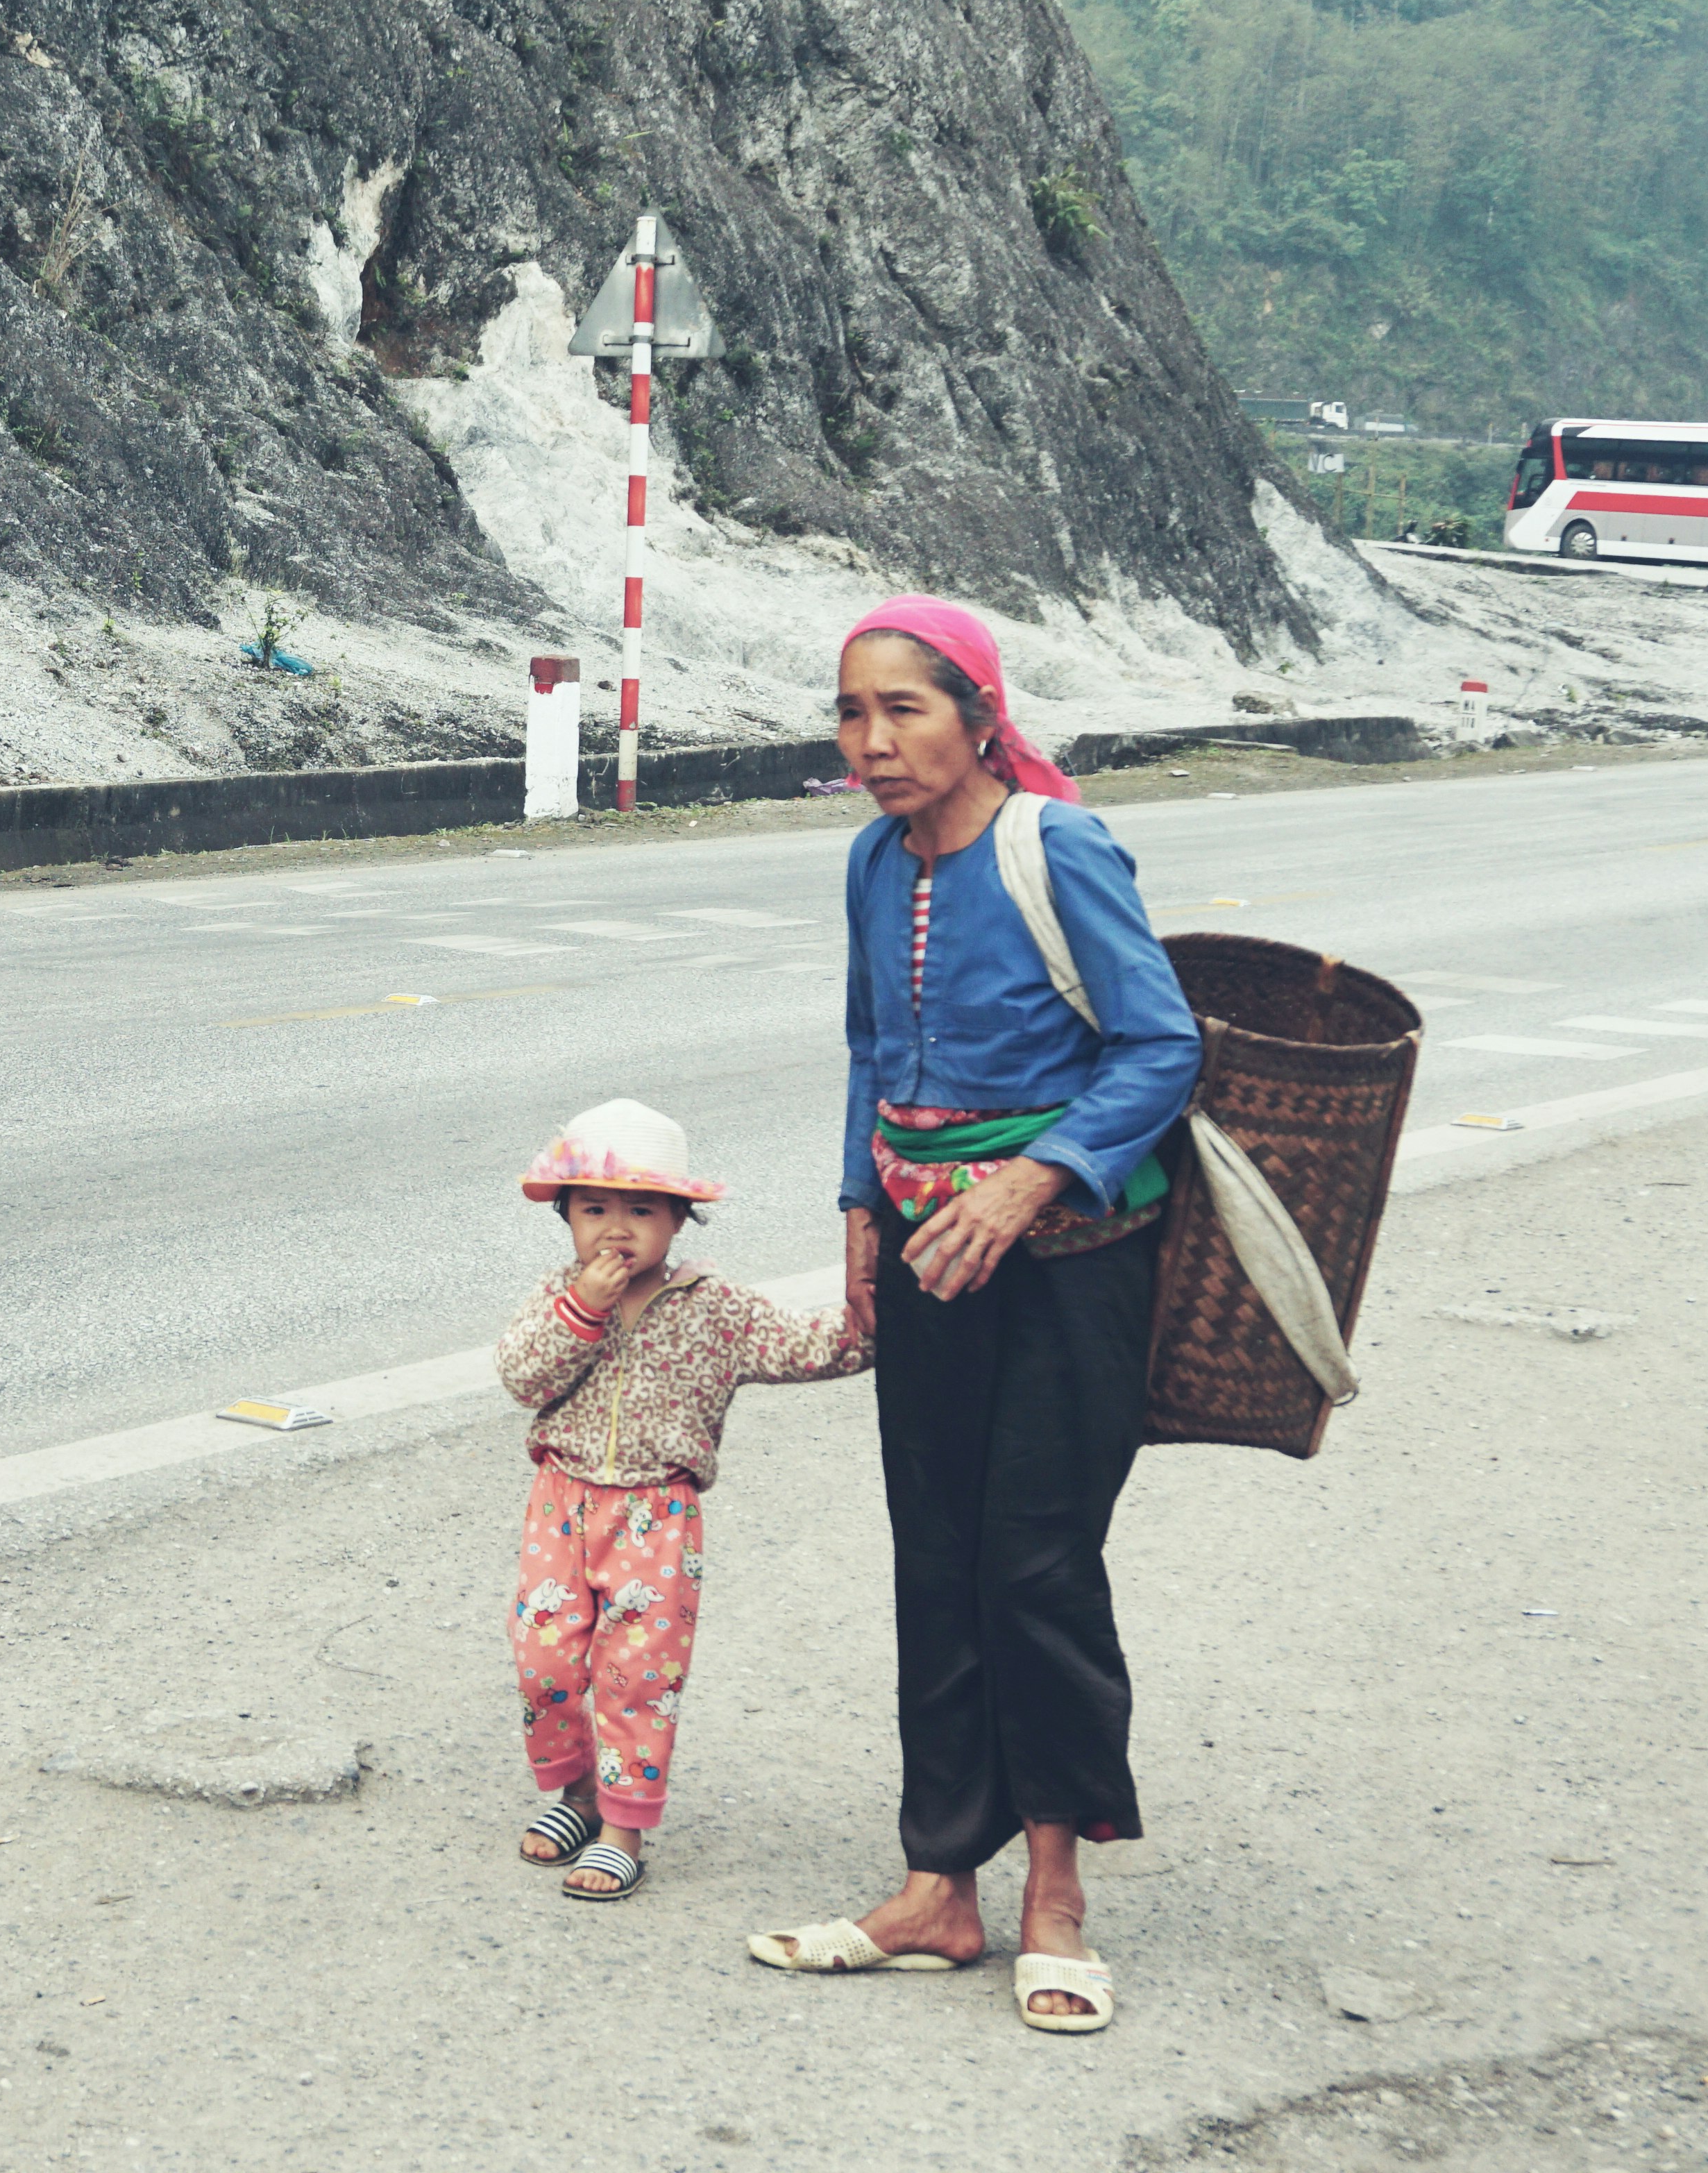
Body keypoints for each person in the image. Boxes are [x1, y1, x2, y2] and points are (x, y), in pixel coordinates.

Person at [744, 599, 1200, 2036]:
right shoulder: (875, 860)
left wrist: (1024, 1182)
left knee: (1037, 1564)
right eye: (850, 713)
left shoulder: (1058, 847)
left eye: (905, 711)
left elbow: (1160, 1042)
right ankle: (940, 1881)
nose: (871, 743)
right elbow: (872, 1046)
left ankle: (1054, 1896)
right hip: (925, 1253)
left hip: (1070, 1257)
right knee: (935, 1556)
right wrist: (858, 1212)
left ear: (980, 713)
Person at [492, 1098, 867, 1904]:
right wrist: (584, 1309)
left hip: (657, 1516)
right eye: (594, 1209)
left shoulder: (715, 1307)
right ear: (565, 1217)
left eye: (641, 1210)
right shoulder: (559, 1295)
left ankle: (623, 1826)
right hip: (561, 1501)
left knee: (636, 1676)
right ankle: (578, 1792)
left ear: (681, 1219)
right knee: (545, 1664)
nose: (615, 1229)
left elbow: (809, 1346)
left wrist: (884, 1317)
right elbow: (523, 1376)